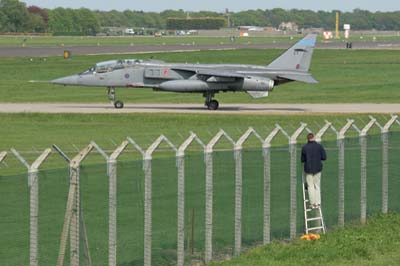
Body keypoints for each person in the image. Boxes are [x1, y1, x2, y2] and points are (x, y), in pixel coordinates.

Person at [301, 133, 327, 209]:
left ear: (307, 139)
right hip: (318, 169)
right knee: (317, 186)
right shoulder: (319, 146)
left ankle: (312, 203)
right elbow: (324, 157)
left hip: (308, 169)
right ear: (314, 137)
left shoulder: (304, 147)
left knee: (310, 186)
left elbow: (302, 160)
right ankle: (318, 203)